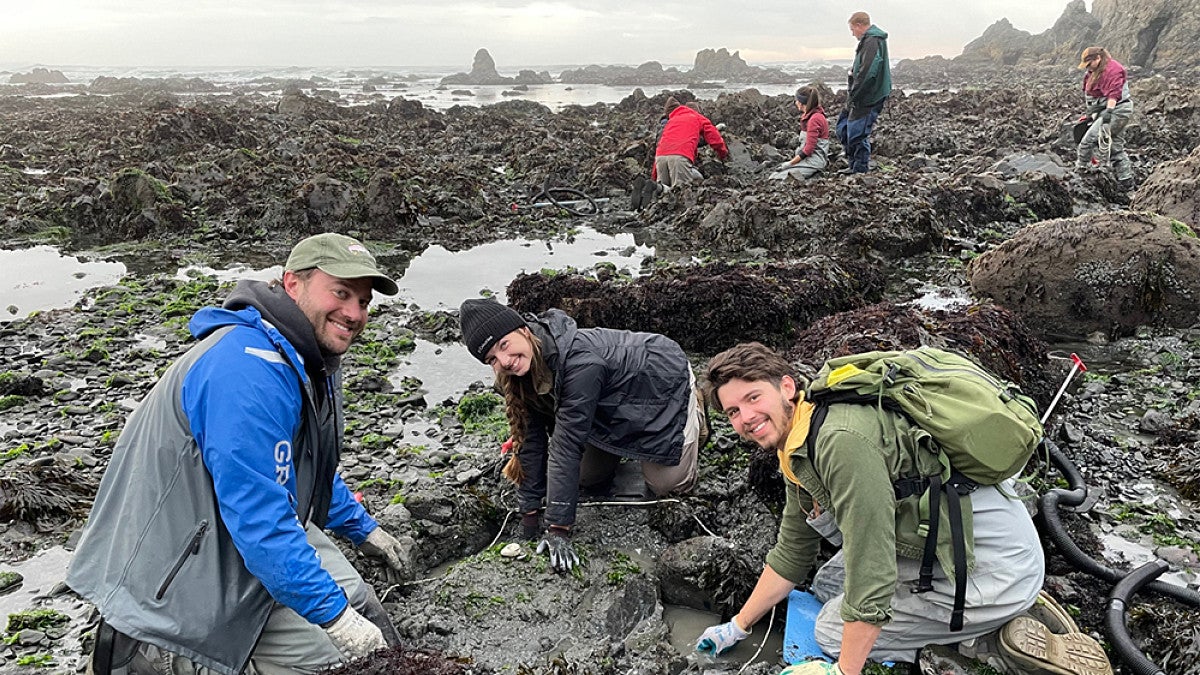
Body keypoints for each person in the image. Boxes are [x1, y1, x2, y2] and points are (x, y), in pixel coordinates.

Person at [68, 233, 413, 675]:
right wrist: (335, 619)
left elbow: (300, 469)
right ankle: (153, 654)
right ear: (293, 284)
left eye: (363, 301)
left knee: (364, 607)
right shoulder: (245, 369)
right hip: (184, 568)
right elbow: (261, 521)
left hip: (247, 534)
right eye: (341, 293)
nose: (353, 312)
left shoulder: (308, 358)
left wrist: (365, 530)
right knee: (333, 658)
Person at [695, 343, 1112, 675]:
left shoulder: (839, 442)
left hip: (991, 564)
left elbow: (871, 564)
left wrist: (843, 669)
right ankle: (982, 613)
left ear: (787, 387)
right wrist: (738, 626)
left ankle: (985, 642)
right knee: (826, 585)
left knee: (831, 630)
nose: (746, 417)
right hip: (950, 544)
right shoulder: (801, 440)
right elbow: (792, 553)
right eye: (733, 410)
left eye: (753, 397)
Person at [458, 298, 705, 573]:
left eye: (504, 345)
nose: (504, 361)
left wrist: (558, 530)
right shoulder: (515, 374)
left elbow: (566, 447)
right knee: (584, 479)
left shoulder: (581, 362)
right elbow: (530, 441)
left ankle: (696, 412)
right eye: (492, 359)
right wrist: (528, 515)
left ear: (523, 330)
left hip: (661, 386)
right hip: (607, 408)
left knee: (667, 485)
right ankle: (619, 445)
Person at [836, 12, 891, 175]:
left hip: (868, 96)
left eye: (853, 30)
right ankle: (853, 165)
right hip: (859, 96)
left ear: (860, 26)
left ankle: (859, 170)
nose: (853, 34)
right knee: (843, 127)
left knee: (857, 133)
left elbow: (869, 72)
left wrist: (855, 93)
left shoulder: (872, 41)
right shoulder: (868, 41)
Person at [1075, 46, 1135, 192]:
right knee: (1115, 149)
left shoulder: (1113, 69)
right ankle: (1127, 185)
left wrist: (1108, 112)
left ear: (1098, 58)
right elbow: (1092, 94)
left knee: (1087, 141)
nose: (1088, 68)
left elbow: (1114, 93)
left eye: (1089, 64)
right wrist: (1090, 114)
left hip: (1118, 109)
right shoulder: (1094, 72)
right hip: (1105, 109)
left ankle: (1079, 173)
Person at [770, 86, 830, 181]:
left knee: (778, 177)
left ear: (802, 103)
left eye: (797, 100)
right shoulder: (813, 115)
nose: (795, 102)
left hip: (814, 161)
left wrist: (790, 163)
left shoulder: (814, 119)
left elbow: (809, 149)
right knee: (775, 173)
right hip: (807, 159)